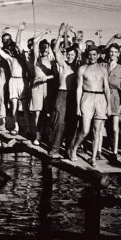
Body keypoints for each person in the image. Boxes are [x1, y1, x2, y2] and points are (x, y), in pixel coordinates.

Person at [68, 45, 111, 167]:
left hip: (100, 98)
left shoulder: (103, 69)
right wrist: (77, 106)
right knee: (85, 130)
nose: (92, 57)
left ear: (98, 55)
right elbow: (79, 89)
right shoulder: (82, 69)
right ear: (87, 56)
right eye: (90, 55)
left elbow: (107, 88)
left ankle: (93, 158)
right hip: (87, 98)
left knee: (97, 131)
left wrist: (109, 105)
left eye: (94, 55)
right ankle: (74, 149)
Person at [0, 23, 30, 134]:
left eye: (16, 49)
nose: (15, 50)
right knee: (14, 105)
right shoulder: (10, 59)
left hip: (22, 81)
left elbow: (18, 43)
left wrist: (19, 30)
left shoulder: (24, 57)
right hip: (12, 80)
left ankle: (28, 128)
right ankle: (16, 127)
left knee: (25, 107)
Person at [49, 23, 79, 158]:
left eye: (73, 55)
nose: (70, 57)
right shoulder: (63, 65)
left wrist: (75, 35)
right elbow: (56, 51)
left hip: (73, 96)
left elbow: (82, 48)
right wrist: (60, 35)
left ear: (76, 56)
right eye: (68, 54)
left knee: (72, 123)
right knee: (59, 122)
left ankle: (69, 149)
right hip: (62, 95)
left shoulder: (79, 67)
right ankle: (54, 148)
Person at [99, 43, 121, 159]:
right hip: (102, 97)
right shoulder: (102, 65)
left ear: (118, 54)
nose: (113, 54)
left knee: (115, 128)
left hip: (116, 97)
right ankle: (98, 150)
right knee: (100, 126)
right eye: (111, 52)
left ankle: (115, 152)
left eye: (115, 52)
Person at [29, 29, 55, 145]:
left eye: (47, 47)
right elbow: (35, 42)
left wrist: (48, 78)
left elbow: (56, 75)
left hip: (48, 88)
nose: (45, 49)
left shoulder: (52, 60)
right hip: (37, 88)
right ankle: (37, 135)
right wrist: (44, 32)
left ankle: (46, 134)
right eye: (43, 47)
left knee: (47, 113)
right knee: (38, 113)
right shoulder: (36, 59)